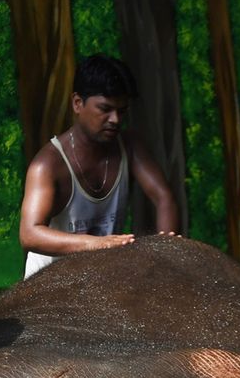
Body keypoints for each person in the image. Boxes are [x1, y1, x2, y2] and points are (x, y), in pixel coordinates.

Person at [19, 54, 179, 278]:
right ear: (77, 103)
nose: (115, 119)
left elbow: (163, 197)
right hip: (48, 287)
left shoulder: (130, 147)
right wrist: (97, 244)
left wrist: (165, 251)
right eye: (105, 109)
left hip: (100, 283)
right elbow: (29, 234)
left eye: (121, 111)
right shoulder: (47, 165)